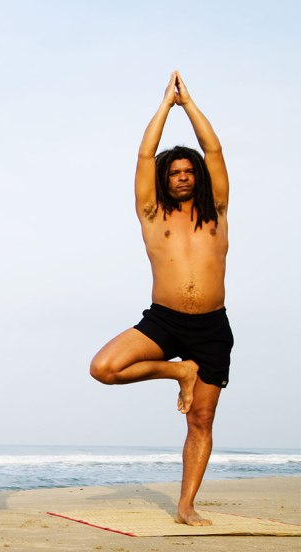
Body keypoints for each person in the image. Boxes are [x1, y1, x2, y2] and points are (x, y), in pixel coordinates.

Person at [89, 71, 231, 526]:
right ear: (164, 180)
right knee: (104, 368)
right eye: (175, 173)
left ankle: (186, 504)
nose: (183, 177)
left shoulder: (217, 211)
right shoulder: (152, 214)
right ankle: (179, 371)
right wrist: (164, 108)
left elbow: (214, 150)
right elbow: (144, 153)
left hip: (212, 327)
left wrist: (190, 105)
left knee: (200, 423)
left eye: (189, 172)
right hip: (164, 321)